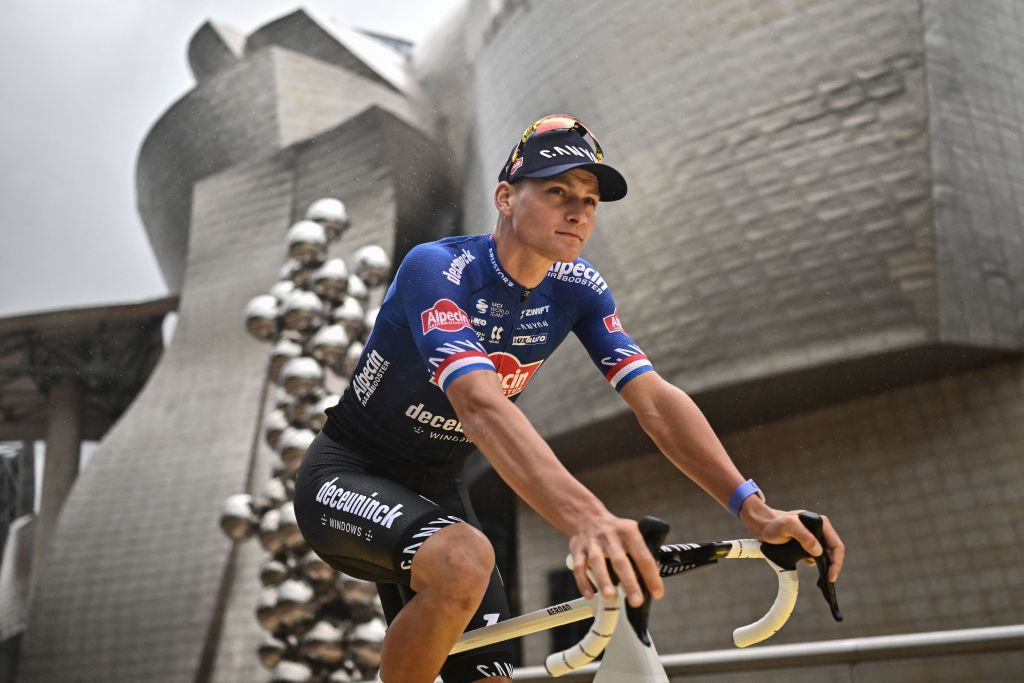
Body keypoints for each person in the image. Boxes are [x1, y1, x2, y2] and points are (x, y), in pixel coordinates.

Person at [295, 114, 846, 683]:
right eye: (556, 191)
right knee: (466, 560)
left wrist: (756, 511)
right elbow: (479, 404)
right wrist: (588, 519)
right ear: (505, 197)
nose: (578, 210)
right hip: (348, 475)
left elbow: (653, 400)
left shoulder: (579, 288)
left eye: (589, 198)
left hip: (439, 491)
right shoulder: (439, 269)